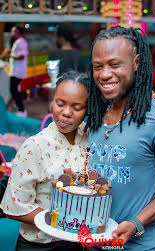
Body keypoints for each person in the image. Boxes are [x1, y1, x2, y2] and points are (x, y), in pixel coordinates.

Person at [85, 26, 155, 250]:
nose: (104, 74)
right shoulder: (92, 115)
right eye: (97, 67)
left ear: (136, 63)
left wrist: (136, 223)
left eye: (114, 64)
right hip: (89, 243)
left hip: (140, 246)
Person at [0, 70, 89, 250]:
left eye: (77, 107)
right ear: (51, 102)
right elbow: (14, 206)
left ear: (88, 109)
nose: (66, 113)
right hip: (40, 246)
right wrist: (60, 221)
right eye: (60, 103)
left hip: (79, 243)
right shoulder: (34, 146)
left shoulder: (91, 139)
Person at [0, 25, 28, 116]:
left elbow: (22, 56)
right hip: (15, 70)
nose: (11, 33)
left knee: (13, 89)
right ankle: (18, 105)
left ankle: (22, 110)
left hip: (18, 71)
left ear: (18, 32)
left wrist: (9, 56)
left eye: (13, 31)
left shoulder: (22, 42)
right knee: (14, 89)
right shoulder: (17, 42)